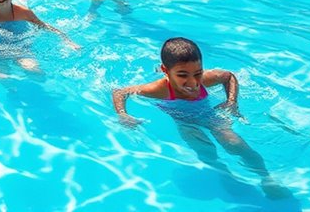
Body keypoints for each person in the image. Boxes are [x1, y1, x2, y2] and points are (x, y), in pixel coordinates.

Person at [111, 37, 289, 199]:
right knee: (204, 148)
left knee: (234, 143)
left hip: (208, 114)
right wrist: (123, 114)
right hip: (183, 121)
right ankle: (223, 173)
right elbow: (120, 92)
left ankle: (265, 176)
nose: (193, 82)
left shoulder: (204, 79)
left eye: (197, 73)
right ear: (166, 71)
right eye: (182, 75)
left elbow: (228, 76)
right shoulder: (159, 89)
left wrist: (231, 102)